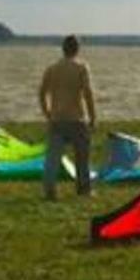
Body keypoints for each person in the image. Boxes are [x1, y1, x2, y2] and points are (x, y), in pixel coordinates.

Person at [39, 35, 95, 200]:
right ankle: (83, 189)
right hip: (77, 118)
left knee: (53, 158)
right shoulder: (81, 68)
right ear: (77, 49)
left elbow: (42, 93)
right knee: (82, 157)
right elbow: (87, 93)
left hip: (57, 118)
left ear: (63, 49)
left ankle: (50, 189)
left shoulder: (52, 69)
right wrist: (93, 116)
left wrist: (47, 113)